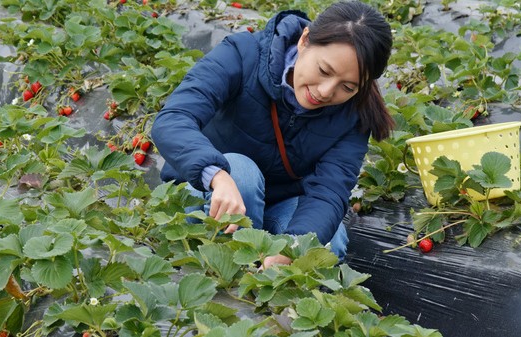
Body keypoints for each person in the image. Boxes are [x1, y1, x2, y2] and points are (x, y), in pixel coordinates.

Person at [150, 1, 394, 267]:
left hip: (276, 204)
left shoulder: (354, 115)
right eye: (324, 71)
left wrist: (292, 247)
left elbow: (329, 192)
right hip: (207, 192)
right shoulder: (243, 54)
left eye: (346, 87)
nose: (326, 91)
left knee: (327, 242)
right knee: (240, 171)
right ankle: (224, 268)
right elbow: (174, 119)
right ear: (305, 40)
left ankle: (263, 281)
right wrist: (215, 175)